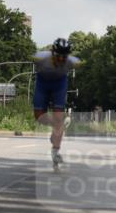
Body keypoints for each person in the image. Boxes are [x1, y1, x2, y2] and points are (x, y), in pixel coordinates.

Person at [32, 38, 81, 167]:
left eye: (63, 57)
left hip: (59, 85)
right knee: (39, 116)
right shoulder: (40, 57)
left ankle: (55, 151)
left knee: (58, 117)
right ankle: (59, 126)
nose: (60, 60)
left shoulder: (72, 62)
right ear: (52, 52)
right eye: (58, 56)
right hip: (42, 84)